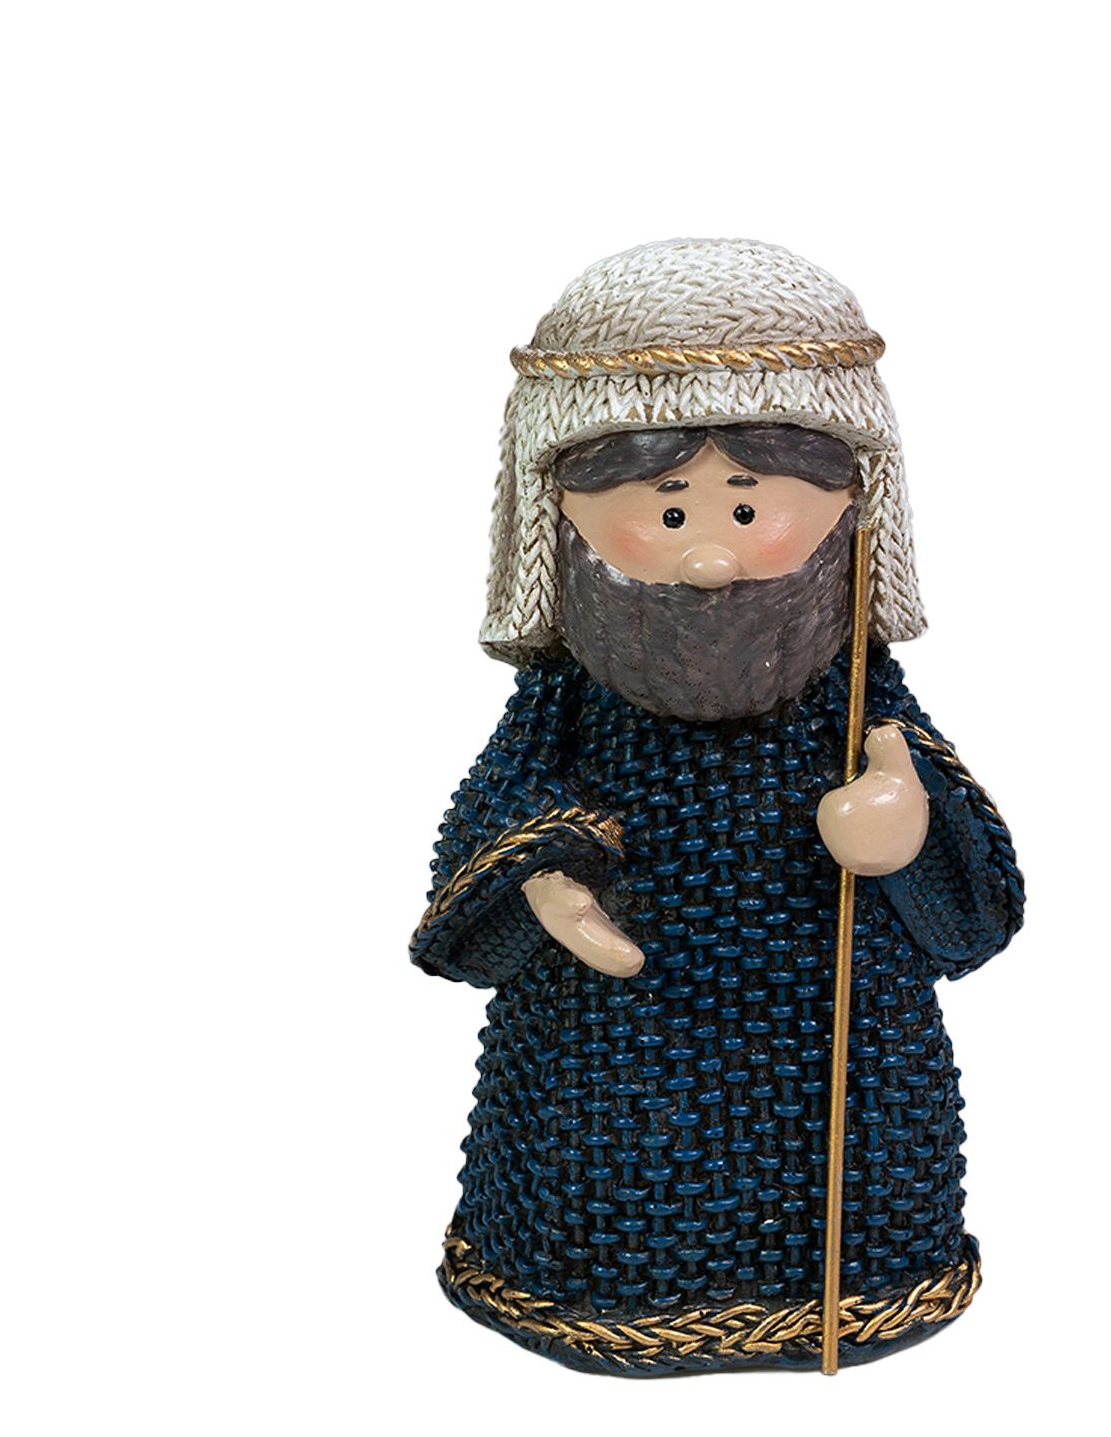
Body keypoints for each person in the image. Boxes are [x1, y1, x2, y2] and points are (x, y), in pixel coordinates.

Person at [410, 239, 1023, 1375]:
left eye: (749, 509)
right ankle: (605, 1295)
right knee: (614, 1182)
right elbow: (499, 813)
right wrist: (539, 875)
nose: (708, 561)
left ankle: (855, 1289)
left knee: (850, 1171)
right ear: (564, 506)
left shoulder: (853, 688)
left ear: (849, 501)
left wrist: (904, 826)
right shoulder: (570, 695)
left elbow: (968, 903)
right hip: (612, 1036)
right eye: (667, 511)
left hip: (838, 1030)